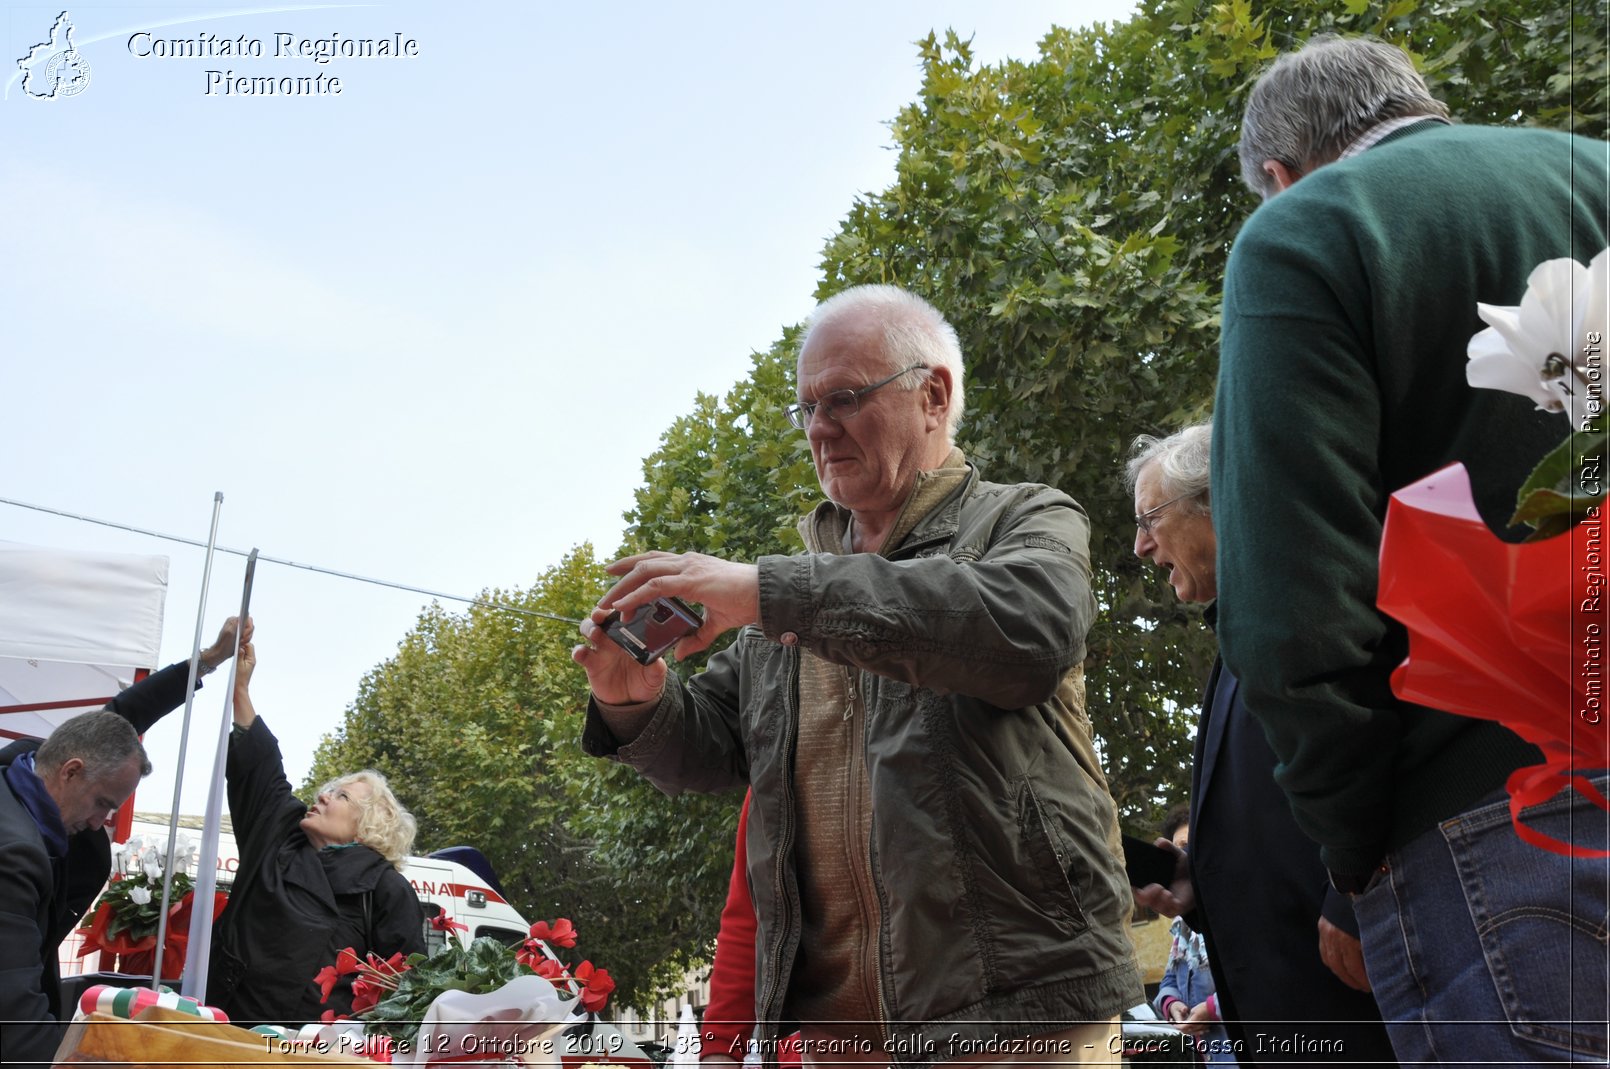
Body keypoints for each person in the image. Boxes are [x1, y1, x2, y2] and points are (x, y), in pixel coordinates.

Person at [576, 284, 1140, 1067]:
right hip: (841, 1038)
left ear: (934, 395)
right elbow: (707, 749)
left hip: (1014, 1017)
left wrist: (769, 590)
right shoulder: (790, 595)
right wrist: (636, 700)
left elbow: (1031, 632)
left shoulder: (1025, 517)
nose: (818, 427)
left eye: (842, 398)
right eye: (804, 407)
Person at [1212, 34, 1609, 1061]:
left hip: (1501, 820)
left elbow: (1291, 613)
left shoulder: (1304, 232)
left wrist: (1353, 851)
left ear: (1276, 172)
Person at [1127, 424, 1395, 1065]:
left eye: (1150, 519)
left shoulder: (1318, 592)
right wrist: (1202, 891)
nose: (1140, 547)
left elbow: (1389, 740)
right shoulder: (1238, 636)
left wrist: (1354, 899)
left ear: (1221, 501)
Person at [0, 617, 248, 1067]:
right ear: (71, 771)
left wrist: (210, 659)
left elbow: (122, 717)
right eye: (101, 803)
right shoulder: (12, 856)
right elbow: (10, 1006)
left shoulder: (30, 764)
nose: (100, 823)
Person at [207, 637, 424, 1025]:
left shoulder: (385, 891)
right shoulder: (279, 836)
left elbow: (404, 990)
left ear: (367, 825)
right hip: (224, 1024)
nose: (322, 796)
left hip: (311, 1054)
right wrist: (241, 687)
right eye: (327, 790)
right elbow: (261, 769)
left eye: (340, 795)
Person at [1149, 806, 1233, 1066]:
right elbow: (1169, 980)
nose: (1182, 858)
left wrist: (1212, 1009)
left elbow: (1257, 974)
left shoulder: (1234, 910)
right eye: (1177, 850)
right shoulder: (1183, 927)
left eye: (1188, 846)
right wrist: (1173, 1005)